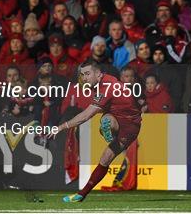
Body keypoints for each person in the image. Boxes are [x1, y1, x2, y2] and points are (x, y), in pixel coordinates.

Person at [48, 59, 142, 203]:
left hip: (129, 125)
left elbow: (86, 115)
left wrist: (61, 127)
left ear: (98, 74)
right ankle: (81, 194)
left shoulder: (107, 87)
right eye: (82, 75)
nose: (84, 78)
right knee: (105, 159)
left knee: (106, 120)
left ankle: (108, 132)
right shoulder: (103, 82)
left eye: (87, 74)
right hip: (124, 120)